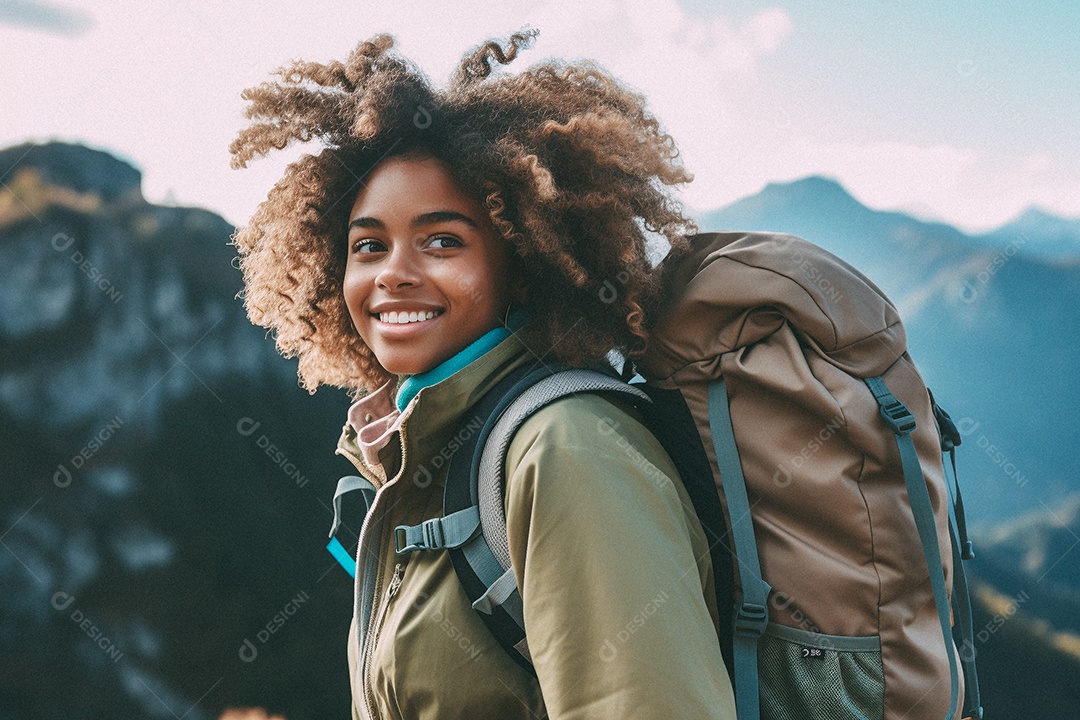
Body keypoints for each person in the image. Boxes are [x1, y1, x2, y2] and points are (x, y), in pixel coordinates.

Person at [230, 29, 736, 720]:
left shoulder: (566, 450)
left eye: (443, 241)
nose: (394, 273)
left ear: (521, 262)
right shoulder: (422, 448)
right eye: (369, 245)